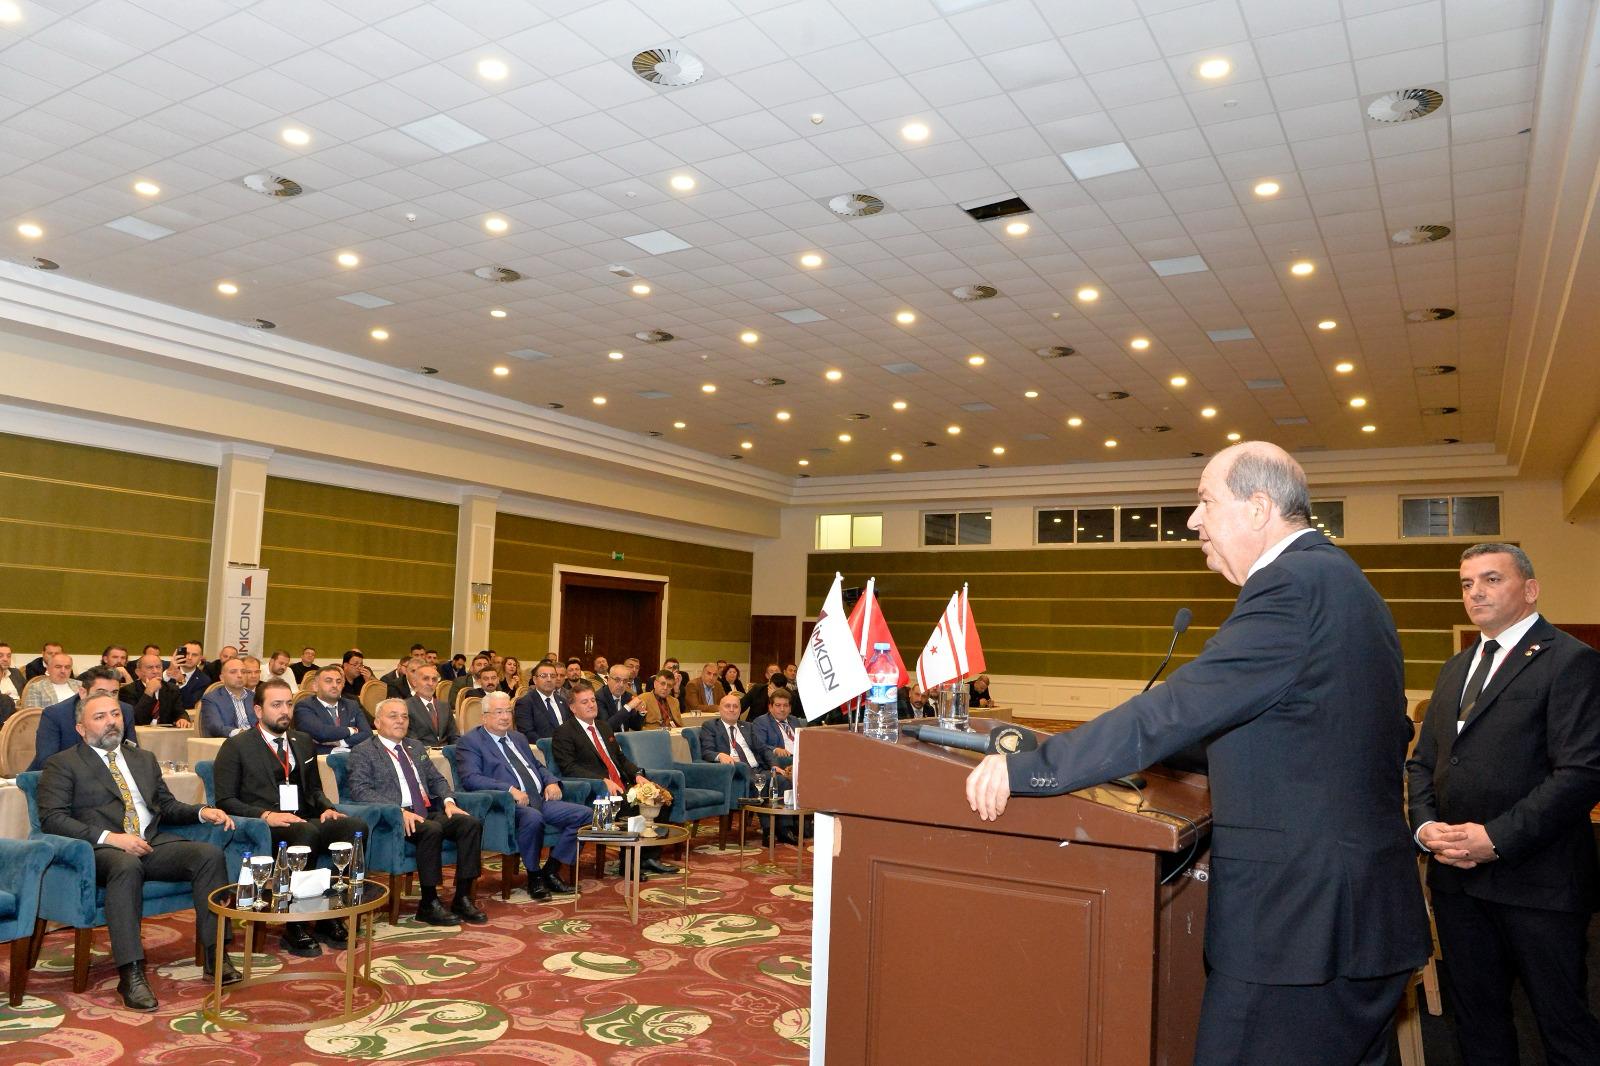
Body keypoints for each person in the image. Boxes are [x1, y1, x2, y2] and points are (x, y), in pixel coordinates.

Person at [965, 440, 1430, 1065]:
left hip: (1300, 929)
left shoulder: (1291, 587)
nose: (1192, 520)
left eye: (1206, 501)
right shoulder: (1345, 584)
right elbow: (1307, 735)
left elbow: (1175, 709)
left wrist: (1028, 768)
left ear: (1258, 508)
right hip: (1355, 916)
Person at [1407, 543, 1600, 1064]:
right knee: (1478, 1026)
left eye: (1492, 579)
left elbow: (1582, 773)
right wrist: (1425, 828)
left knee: (1563, 1027)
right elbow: (1423, 763)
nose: (1476, 593)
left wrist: (1495, 839)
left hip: (1538, 882)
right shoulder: (1455, 669)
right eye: (1467, 584)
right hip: (1457, 880)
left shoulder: (1571, 661)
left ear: (1530, 589)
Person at [36, 691, 238, 1010]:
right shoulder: (63, 764)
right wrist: (112, 838)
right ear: (81, 728)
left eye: (115, 714)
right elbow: (52, 819)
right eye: (100, 717)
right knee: (126, 866)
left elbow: (166, 806)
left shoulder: (142, 759)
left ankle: (216, 955)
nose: (111, 722)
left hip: (149, 842)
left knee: (208, 856)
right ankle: (130, 973)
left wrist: (201, 811)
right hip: (97, 851)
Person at [212, 678, 368, 958]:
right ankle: (294, 924)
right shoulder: (236, 746)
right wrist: (266, 815)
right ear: (258, 710)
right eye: (276, 705)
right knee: (305, 833)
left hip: (304, 817)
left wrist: (326, 807)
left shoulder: (302, 741)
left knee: (354, 827)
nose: (285, 711)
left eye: (288, 704)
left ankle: (331, 915)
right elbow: (225, 800)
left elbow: (315, 789)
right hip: (266, 825)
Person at [342, 699, 487, 926]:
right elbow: (361, 791)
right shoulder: (364, 751)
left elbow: (436, 779)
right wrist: (397, 810)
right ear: (377, 722)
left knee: (470, 823)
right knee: (431, 829)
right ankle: (428, 903)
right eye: (393, 716)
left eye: (405, 716)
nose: (400, 721)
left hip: (425, 811)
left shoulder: (415, 747)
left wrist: (449, 801)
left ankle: (462, 897)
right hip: (394, 818)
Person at [455, 692, 589, 900]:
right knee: (533, 818)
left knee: (585, 815)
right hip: (505, 806)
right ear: (484, 717)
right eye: (499, 712)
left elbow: (537, 766)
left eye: (508, 711)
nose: (505, 717)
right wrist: (509, 790)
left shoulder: (518, 738)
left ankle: (551, 870)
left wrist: (551, 781)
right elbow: (471, 779)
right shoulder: (471, 741)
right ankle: (534, 876)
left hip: (538, 800)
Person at [552, 680, 677, 876]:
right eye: (584, 702)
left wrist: (638, 775)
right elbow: (568, 768)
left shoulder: (603, 726)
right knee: (632, 806)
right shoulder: (564, 732)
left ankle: (648, 857)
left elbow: (620, 758)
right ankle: (628, 864)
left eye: (592, 700)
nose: (591, 705)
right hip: (597, 794)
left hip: (623, 786)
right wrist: (601, 780)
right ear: (573, 708)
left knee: (662, 797)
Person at [30, 667, 140, 771]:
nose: (108, 698)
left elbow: (133, 752)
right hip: (64, 775)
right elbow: (47, 762)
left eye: (114, 693)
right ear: (83, 693)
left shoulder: (125, 710)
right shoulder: (55, 714)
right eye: (101, 692)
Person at [294, 665, 373, 755]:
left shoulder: (351, 705)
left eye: (338, 681)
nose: (335, 685)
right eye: (328, 681)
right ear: (315, 686)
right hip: (323, 757)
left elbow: (368, 734)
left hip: (353, 755)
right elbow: (321, 733)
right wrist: (352, 730)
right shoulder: (304, 706)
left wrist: (342, 742)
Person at [121, 652, 189, 727]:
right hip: (141, 732)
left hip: (165, 732)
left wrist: (183, 718)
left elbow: (180, 712)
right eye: (150, 667)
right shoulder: (127, 691)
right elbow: (134, 719)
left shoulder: (171, 689)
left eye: (158, 667)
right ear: (138, 672)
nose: (155, 671)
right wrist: (149, 692)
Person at [198, 657, 257, 738]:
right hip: (229, 741)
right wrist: (241, 733)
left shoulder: (255, 697)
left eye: (243, 672)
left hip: (258, 740)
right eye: (233, 672)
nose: (240, 675)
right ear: (222, 678)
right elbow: (215, 727)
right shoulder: (211, 699)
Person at [514, 661, 570, 742]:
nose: (549, 679)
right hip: (542, 747)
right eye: (544, 676)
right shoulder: (525, 703)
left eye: (553, 676)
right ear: (535, 680)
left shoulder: (563, 701)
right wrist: (553, 745)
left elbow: (570, 727)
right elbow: (527, 733)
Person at [405, 661, 459, 747]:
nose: (430, 683)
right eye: (425, 679)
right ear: (414, 682)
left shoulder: (444, 706)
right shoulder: (406, 707)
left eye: (434, 679)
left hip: (446, 752)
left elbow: (454, 736)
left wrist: (453, 751)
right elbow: (410, 739)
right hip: (422, 752)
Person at [598, 666, 646, 732]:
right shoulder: (599, 697)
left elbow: (636, 727)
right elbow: (606, 728)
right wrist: (628, 707)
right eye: (617, 680)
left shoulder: (627, 696)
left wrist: (641, 711)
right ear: (608, 680)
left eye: (625, 681)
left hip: (625, 737)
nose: (621, 685)